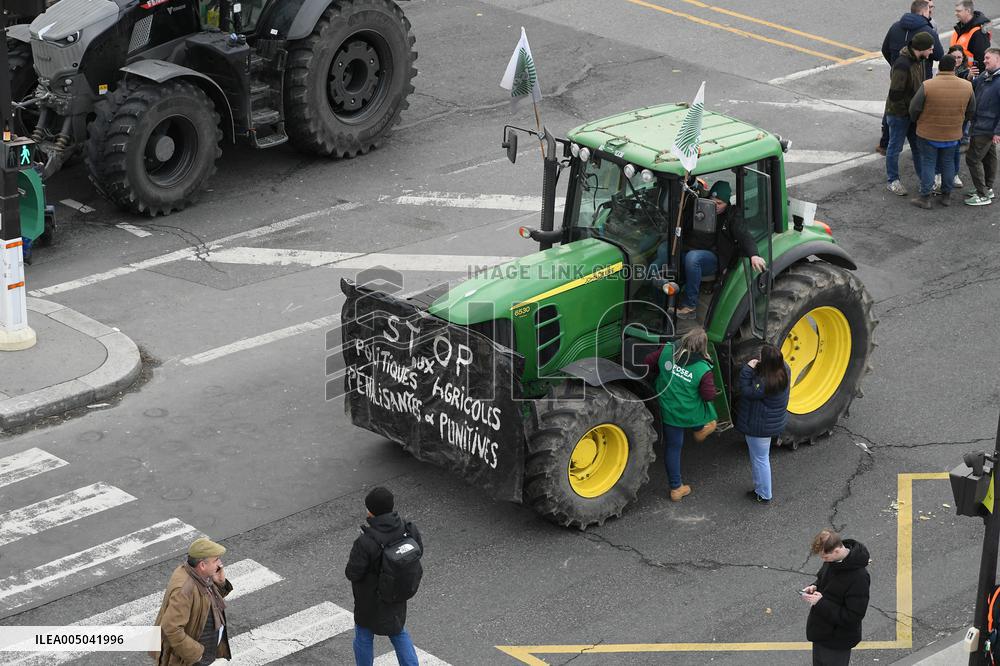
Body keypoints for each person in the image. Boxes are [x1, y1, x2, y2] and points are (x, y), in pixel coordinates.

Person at [346, 487, 422, 666]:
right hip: (397, 591)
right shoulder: (408, 527)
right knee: (398, 632)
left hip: (369, 598)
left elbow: (352, 573)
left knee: (364, 634)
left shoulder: (366, 541)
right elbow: (418, 551)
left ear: (370, 511)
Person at [643, 327, 718, 501]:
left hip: (666, 408)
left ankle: (676, 488)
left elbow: (648, 361)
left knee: (673, 448)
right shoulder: (703, 368)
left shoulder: (667, 350)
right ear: (702, 347)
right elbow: (708, 395)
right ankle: (701, 428)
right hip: (688, 412)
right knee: (708, 410)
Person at [675, 181, 766, 320]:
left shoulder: (732, 215)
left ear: (727, 203)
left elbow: (743, 234)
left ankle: (690, 305)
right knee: (665, 250)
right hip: (691, 247)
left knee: (693, 259)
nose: (715, 206)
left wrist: (754, 254)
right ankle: (662, 298)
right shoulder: (700, 207)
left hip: (713, 257)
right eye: (712, 201)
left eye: (719, 203)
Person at [909, 53, 976, 208]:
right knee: (948, 163)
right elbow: (971, 110)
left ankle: (925, 197)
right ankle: (946, 195)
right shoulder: (966, 86)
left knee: (928, 163)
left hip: (928, 133)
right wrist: (960, 122)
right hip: (953, 133)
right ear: (954, 67)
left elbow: (914, 109)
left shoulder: (928, 85)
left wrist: (918, 121)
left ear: (939, 67)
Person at [152, 537, 232, 666]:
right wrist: (196, 654)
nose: (220, 564)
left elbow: (209, 602)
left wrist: (220, 583)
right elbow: (171, 628)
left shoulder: (200, 575)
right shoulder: (184, 590)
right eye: (216, 560)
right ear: (202, 565)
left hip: (204, 646)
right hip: (192, 658)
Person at [880, 1, 942, 153]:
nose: (930, 13)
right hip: (921, 78)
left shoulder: (895, 26)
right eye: (929, 10)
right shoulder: (928, 31)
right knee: (917, 107)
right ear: (923, 12)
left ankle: (885, 142)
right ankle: (918, 140)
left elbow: (884, 49)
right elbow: (939, 55)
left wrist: (895, 67)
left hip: (897, 74)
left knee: (893, 103)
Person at [801, 530, 871, 666]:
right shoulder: (833, 561)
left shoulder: (859, 578)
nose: (824, 561)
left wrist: (820, 603)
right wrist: (814, 587)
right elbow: (822, 580)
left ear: (837, 550)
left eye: (825, 557)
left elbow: (853, 616)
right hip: (822, 633)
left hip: (837, 641)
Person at [734, 344, 790, 505]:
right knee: (761, 458)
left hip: (760, 427)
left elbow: (746, 391)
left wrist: (747, 369)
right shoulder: (784, 370)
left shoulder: (764, 383)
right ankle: (761, 489)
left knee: (760, 459)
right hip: (770, 424)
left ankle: (764, 493)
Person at [886, 31, 937, 196]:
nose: (931, 52)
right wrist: (910, 112)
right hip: (899, 115)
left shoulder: (919, 60)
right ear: (921, 49)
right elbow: (895, 95)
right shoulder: (903, 64)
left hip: (911, 114)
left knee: (918, 148)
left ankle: (925, 181)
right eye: (930, 49)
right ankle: (892, 181)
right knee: (895, 147)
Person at [965, 47, 1000, 205]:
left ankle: (982, 194)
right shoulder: (986, 75)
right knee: (988, 157)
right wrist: (970, 77)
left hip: (986, 127)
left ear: (998, 60)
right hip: (980, 124)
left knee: (972, 159)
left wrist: (998, 131)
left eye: (988, 58)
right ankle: (988, 188)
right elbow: (971, 87)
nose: (984, 61)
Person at [951, 0, 992, 75]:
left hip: (970, 77)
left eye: (958, 11)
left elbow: (982, 62)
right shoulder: (960, 28)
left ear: (968, 11)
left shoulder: (978, 33)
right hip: (959, 74)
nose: (955, 14)